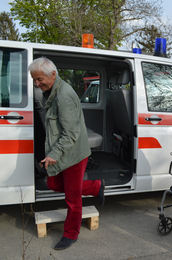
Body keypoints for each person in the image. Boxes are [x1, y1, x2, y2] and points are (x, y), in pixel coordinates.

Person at [29, 57, 105, 250]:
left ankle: (71, 234)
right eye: (34, 80)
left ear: (53, 74)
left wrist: (54, 153)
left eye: (39, 79)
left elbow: (71, 133)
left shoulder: (63, 96)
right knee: (52, 183)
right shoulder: (52, 91)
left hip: (73, 153)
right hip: (62, 150)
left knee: (72, 198)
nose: (36, 84)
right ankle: (95, 187)